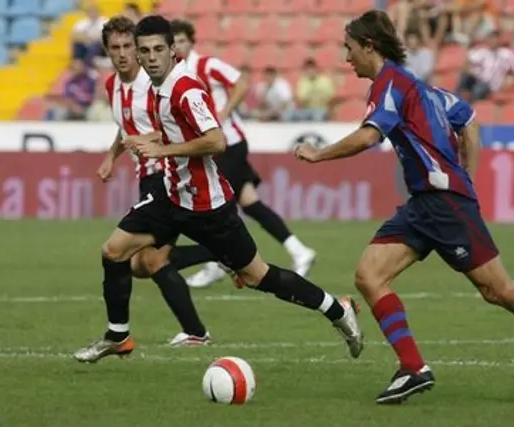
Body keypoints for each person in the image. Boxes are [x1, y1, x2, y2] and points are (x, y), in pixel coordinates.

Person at [73, 15, 363, 365]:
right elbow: (173, 132)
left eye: (158, 50)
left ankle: (336, 308)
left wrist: (161, 150)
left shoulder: (186, 89)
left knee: (257, 276)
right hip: (170, 195)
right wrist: (147, 140)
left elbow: (216, 140)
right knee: (114, 251)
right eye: (144, 50)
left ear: (172, 52)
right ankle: (117, 335)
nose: (150, 57)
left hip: (207, 206)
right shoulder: (155, 86)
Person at [294, 9, 514, 405]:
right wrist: (468, 174)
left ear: (369, 46)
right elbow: (469, 120)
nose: (347, 58)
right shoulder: (420, 88)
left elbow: (367, 137)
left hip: (445, 205)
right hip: (424, 205)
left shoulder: (389, 84)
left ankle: (412, 368)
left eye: (349, 49)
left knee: (498, 292)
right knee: (368, 275)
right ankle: (413, 368)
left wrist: (317, 155)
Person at [169, 19, 317, 288]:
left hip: (230, 144)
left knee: (212, 207)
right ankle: (299, 250)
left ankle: (215, 263)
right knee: (250, 203)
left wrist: (224, 113)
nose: (178, 45)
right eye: (174, 41)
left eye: (181, 40)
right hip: (215, 148)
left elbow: (241, 83)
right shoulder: (175, 72)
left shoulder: (207, 65)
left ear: (191, 41)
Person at [96, 16, 212, 346]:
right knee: (143, 262)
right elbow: (126, 127)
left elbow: (172, 126)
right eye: (114, 48)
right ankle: (218, 258)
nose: (122, 54)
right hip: (145, 177)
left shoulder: (153, 84)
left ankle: (128, 335)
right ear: (106, 50)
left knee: (139, 257)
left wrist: (151, 142)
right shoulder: (111, 86)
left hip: (167, 175)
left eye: (127, 47)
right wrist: (110, 155)